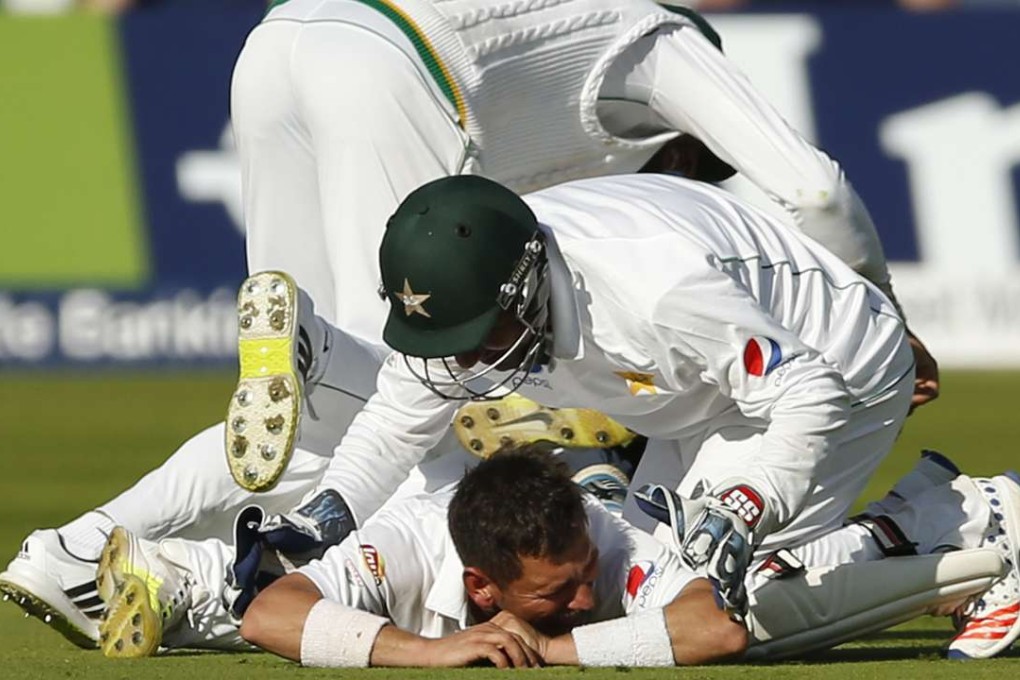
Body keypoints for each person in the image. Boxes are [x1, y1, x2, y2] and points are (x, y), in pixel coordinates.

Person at [0, 0, 938, 648]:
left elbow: (803, 383)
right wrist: (327, 519)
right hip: (389, 64)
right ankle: (271, 504)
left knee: (707, 595)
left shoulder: (649, 269)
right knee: (452, 466)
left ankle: (86, 550)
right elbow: (813, 185)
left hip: (276, 43)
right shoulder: (661, 53)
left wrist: (743, 507)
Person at [93, 444, 1018, 664]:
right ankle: (175, 577)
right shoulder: (414, 541)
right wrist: (432, 651)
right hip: (429, 569)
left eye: (582, 579)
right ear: (482, 581)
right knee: (243, 604)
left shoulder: (610, 543)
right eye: (554, 595)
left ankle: (968, 525)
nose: (582, 595)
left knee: (771, 605)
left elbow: (716, 631)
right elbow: (273, 613)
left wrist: (552, 647)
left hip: (667, 506)